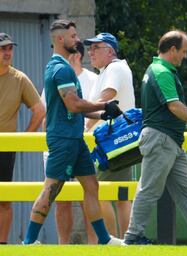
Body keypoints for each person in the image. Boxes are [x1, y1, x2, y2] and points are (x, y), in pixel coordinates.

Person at [22, 19, 124, 245]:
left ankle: (104, 240)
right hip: (63, 140)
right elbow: (74, 105)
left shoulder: (62, 67)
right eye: (73, 36)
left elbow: (77, 108)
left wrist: (102, 115)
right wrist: (104, 106)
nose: (78, 40)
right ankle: (28, 243)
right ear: (60, 39)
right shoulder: (61, 69)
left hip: (75, 139)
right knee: (51, 190)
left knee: (91, 185)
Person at [124, 30, 187, 246]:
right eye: (184, 51)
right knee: (149, 189)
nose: (185, 56)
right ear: (172, 50)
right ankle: (133, 236)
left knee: (184, 189)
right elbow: (173, 105)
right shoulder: (161, 71)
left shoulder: (159, 69)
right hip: (160, 139)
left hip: (170, 141)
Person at [43, 41, 98, 244]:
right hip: (63, 141)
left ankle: (96, 243)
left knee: (90, 190)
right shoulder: (59, 72)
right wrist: (49, 147)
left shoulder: (92, 79)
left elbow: (86, 109)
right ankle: (62, 244)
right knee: (58, 197)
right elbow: (47, 112)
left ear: (76, 55)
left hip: (84, 143)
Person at [84, 32, 135, 239]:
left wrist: (86, 124)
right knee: (121, 195)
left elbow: (107, 98)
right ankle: (125, 242)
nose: (91, 51)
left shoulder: (114, 68)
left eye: (97, 47)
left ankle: (112, 242)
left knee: (98, 192)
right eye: (90, 48)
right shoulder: (109, 70)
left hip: (113, 140)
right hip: (119, 139)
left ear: (111, 51)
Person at [0, 32, 45, 244]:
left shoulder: (19, 78)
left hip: (5, 149)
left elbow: (39, 109)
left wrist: (24, 138)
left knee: (4, 199)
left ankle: (3, 245)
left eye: (9, 48)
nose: (7, 53)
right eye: (2, 49)